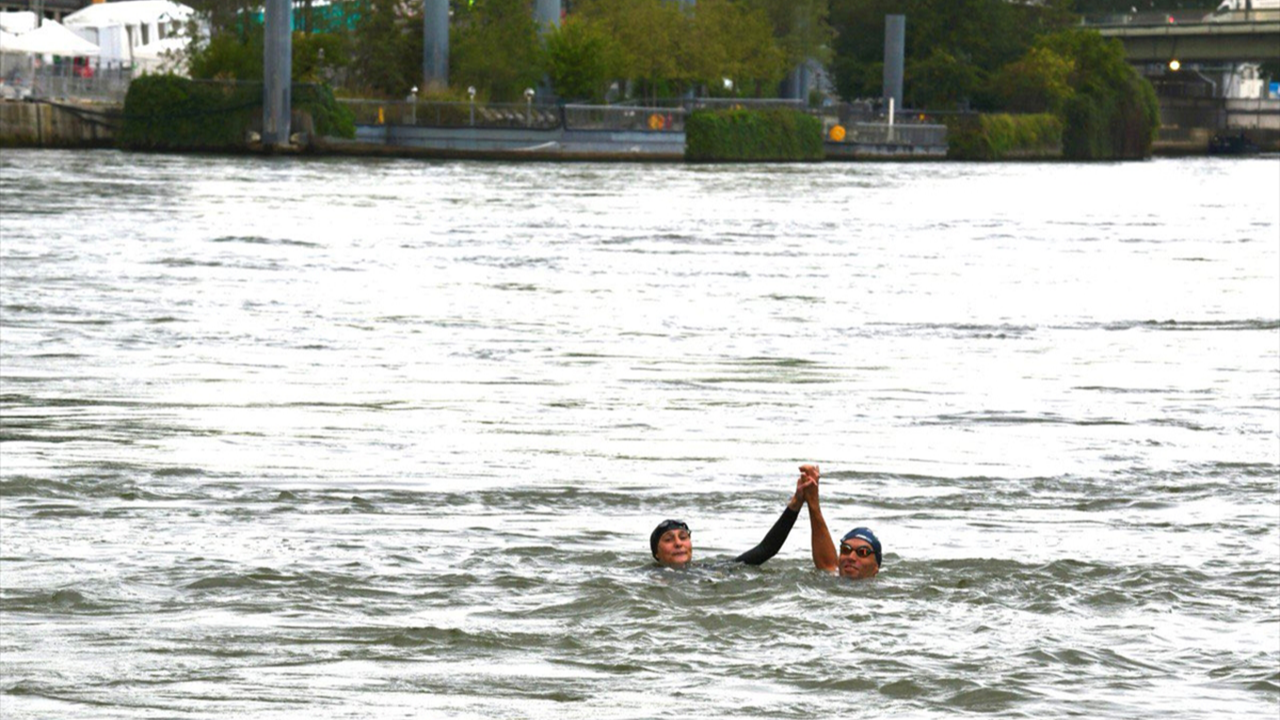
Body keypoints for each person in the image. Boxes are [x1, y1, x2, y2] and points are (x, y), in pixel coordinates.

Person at [649, 471, 816, 568]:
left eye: (683, 537)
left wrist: (796, 503)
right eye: (669, 539)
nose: (678, 543)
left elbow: (766, 549)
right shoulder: (646, 577)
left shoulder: (709, 570)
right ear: (656, 553)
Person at [799, 464, 882, 580]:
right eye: (845, 550)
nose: (851, 557)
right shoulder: (832, 581)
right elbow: (827, 565)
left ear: (875, 567)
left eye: (862, 552)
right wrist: (812, 500)